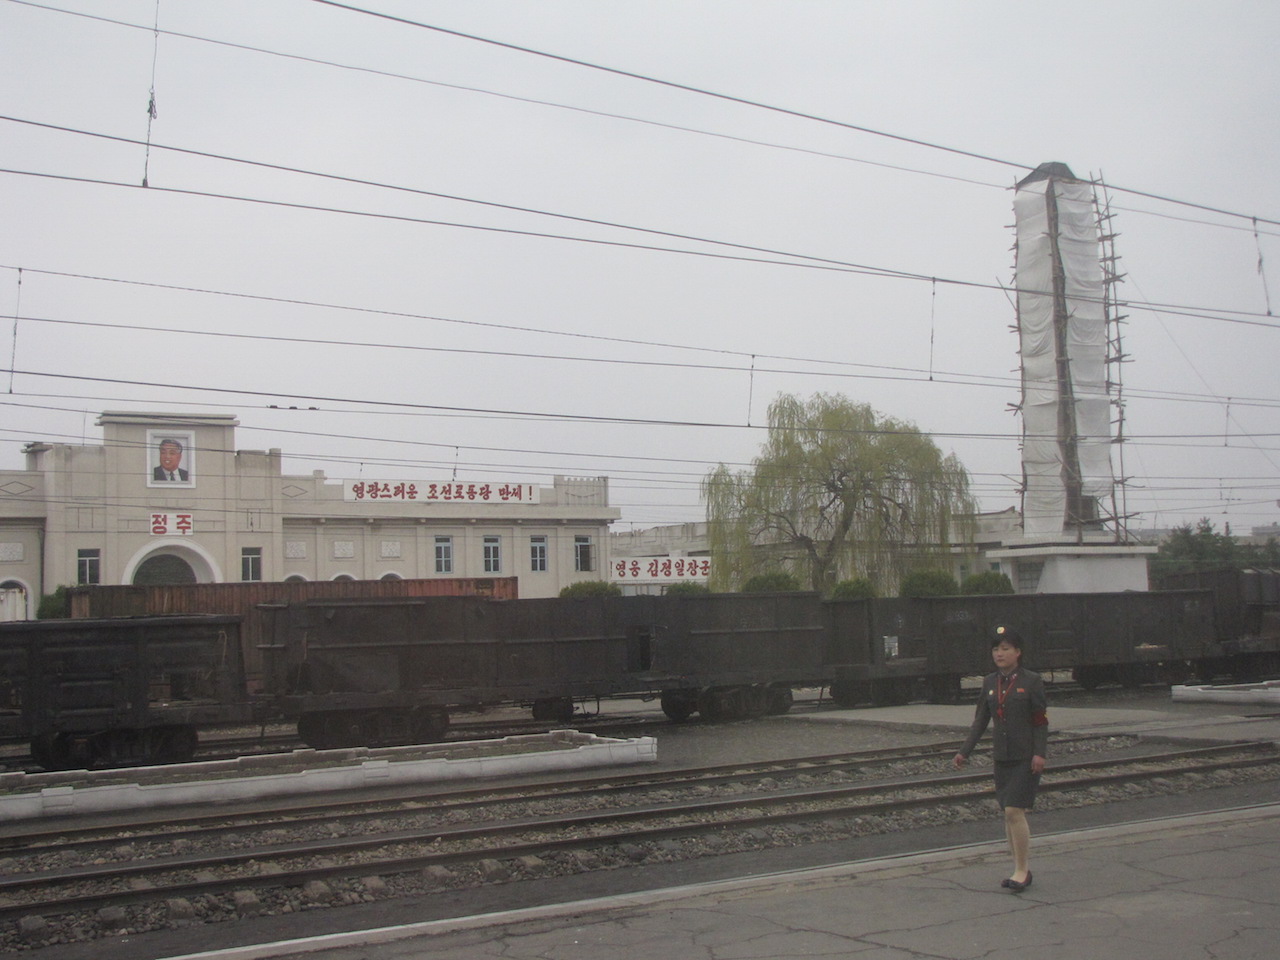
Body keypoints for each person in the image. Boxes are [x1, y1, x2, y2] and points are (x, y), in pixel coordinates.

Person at [953, 625, 1048, 893]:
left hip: (1026, 757)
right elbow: (981, 720)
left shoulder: (1032, 681)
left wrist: (1040, 753)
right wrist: (964, 751)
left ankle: (1022, 870)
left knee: (1014, 811)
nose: (999, 654)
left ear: (1018, 652)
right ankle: (1018, 866)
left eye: (1005, 649)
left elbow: (1040, 721)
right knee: (1008, 814)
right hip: (1002, 757)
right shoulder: (989, 682)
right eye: (996, 649)